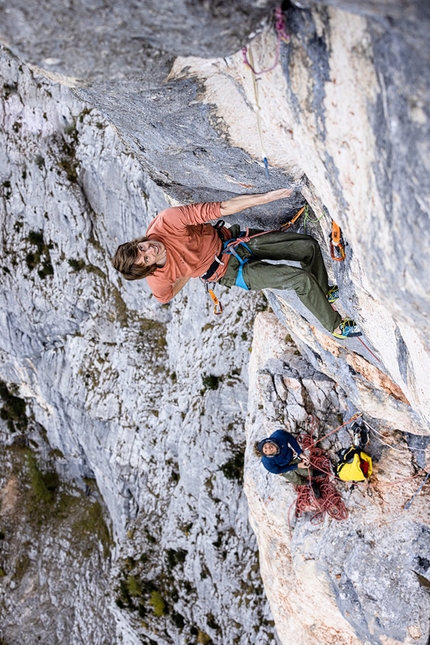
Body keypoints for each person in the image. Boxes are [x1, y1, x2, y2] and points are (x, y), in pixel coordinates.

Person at [112, 189, 360, 338]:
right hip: (231, 273)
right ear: (147, 268)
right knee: (299, 279)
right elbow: (164, 297)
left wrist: (267, 197)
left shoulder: (167, 222)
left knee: (307, 246)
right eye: (145, 258)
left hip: (236, 241)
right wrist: (189, 272)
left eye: (141, 247)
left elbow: (221, 208)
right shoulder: (157, 280)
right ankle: (336, 326)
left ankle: (325, 293)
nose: (149, 250)